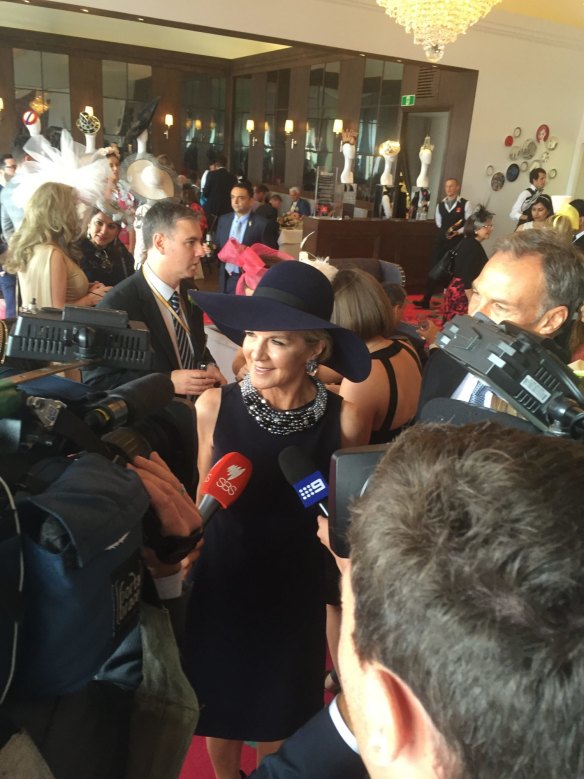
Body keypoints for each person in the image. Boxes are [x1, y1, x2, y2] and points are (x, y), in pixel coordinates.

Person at [184, 260, 371, 779]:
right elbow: (205, 496)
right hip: (224, 578)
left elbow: (347, 515)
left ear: (315, 349)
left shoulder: (347, 418)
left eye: (278, 342)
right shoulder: (212, 406)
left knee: (281, 712)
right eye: (251, 336)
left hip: (295, 587)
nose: (255, 354)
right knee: (217, 705)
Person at [417, 229, 584, 412]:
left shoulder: (564, 410)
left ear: (551, 320)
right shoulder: (443, 359)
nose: (475, 314)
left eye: (500, 306)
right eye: (477, 294)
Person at [82, 201, 223, 395]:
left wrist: (208, 364)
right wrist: (166, 382)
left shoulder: (189, 290)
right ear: (160, 243)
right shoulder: (118, 305)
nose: (200, 251)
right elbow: (98, 382)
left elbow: (195, 345)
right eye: (191, 242)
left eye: (200, 242)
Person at [329, 268, 422, 443]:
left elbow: (349, 458)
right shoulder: (405, 345)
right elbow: (379, 396)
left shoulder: (361, 379)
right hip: (405, 452)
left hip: (377, 467)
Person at [4, 182, 109, 309]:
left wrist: (85, 288)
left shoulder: (38, 248)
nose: (79, 213)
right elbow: (52, 312)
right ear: (61, 212)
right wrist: (90, 299)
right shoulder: (51, 254)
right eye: (74, 206)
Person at [414, 177, 473, 309]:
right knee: (434, 269)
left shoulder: (465, 204)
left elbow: (470, 223)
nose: (449, 189)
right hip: (441, 241)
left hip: (457, 242)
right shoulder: (440, 205)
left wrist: (458, 232)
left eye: (452, 186)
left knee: (452, 271)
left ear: (457, 187)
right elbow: (439, 223)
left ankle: (449, 301)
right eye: (447, 186)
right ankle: (426, 299)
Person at [213, 183, 279, 293]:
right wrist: (211, 247)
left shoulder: (262, 225)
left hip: (248, 281)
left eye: (241, 198)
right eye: (233, 197)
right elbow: (218, 245)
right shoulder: (224, 220)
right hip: (225, 276)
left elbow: (270, 258)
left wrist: (248, 253)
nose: (235, 202)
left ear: (252, 201)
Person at [442, 205, 494, 323]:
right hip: (461, 294)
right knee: (457, 329)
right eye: (487, 226)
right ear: (476, 229)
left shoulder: (469, 242)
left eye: (491, 226)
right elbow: (467, 277)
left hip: (457, 290)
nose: (491, 229)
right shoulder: (472, 246)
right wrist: (472, 302)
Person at [78, 206, 135, 287]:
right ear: (89, 224)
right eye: (99, 223)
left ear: (117, 231)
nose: (104, 231)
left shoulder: (122, 255)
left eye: (111, 226)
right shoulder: (75, 251)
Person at [0, 154, 18, 317]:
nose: (15, 170)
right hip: (5, 255)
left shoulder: (19, 190)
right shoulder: (4, 193)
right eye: (11, 167)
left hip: (18, 251)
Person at [202, 154, 237, 221]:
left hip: (212, 209)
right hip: (227, 210)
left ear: (216, 164)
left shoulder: (211, 174)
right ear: (226, 164)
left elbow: (205, 193)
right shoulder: (233, 177)